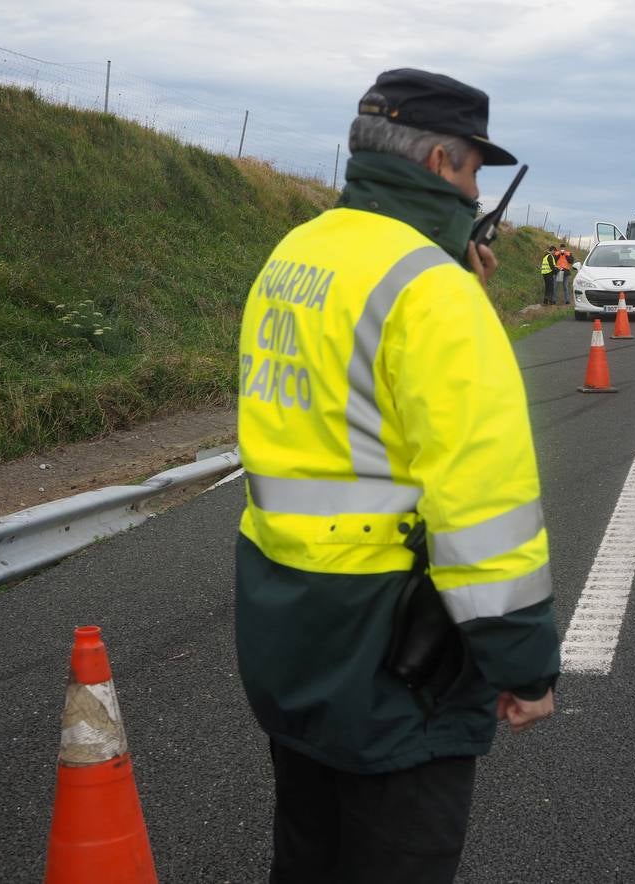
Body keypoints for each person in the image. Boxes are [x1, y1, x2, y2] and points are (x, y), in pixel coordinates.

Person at [234, 67, 560, 884]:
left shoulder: (296, 252)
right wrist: (522, 664)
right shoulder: (432, 292)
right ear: (445, 163)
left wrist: (456, 281)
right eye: (477, 168)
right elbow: (484, 504)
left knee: (308, 855)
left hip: (287, 625)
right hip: (394, 653)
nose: (478, 185)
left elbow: (353, 404)